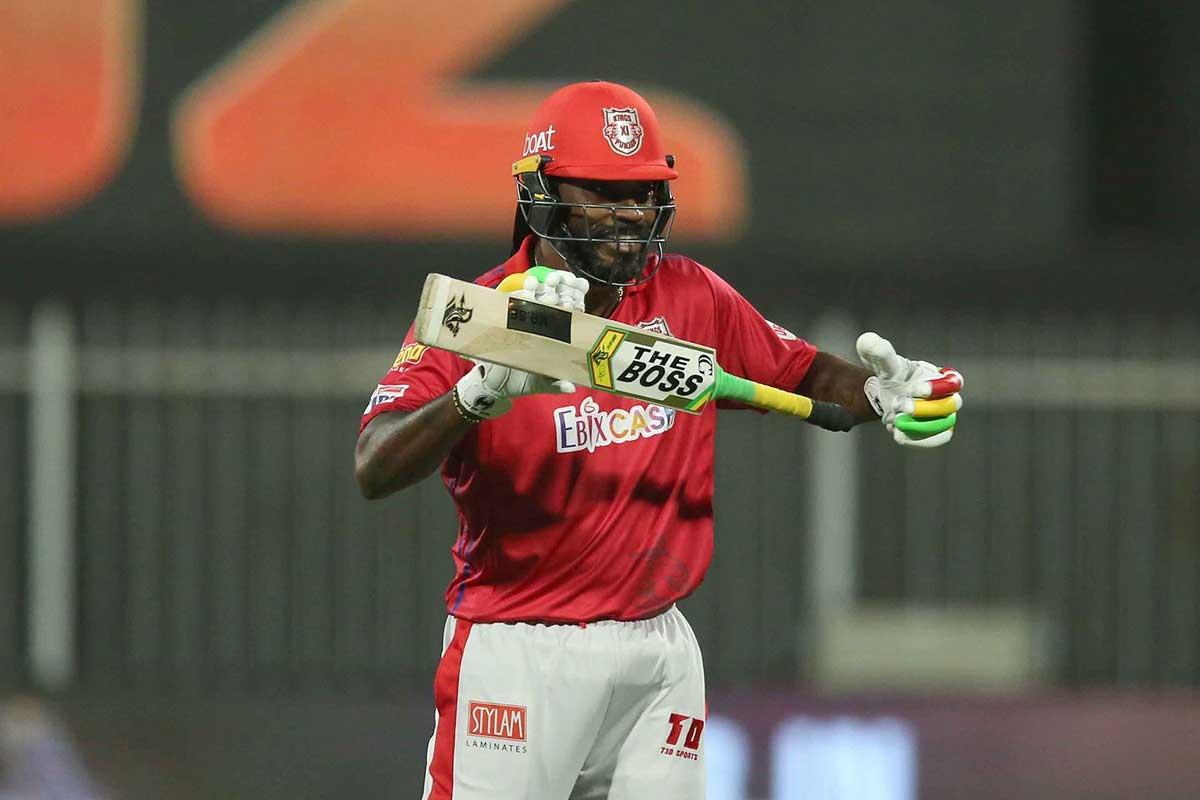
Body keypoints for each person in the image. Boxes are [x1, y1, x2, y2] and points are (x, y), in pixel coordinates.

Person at [355, 80, 963, 800]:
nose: (629, 216)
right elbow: (375, 464)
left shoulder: (690, 296)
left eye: (643, 194)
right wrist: (474, 395)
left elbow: (799, 373)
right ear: (543, 193)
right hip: (520, 653)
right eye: (604, 191)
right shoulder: (481, 318)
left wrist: (879, 392)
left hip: (659, 654)